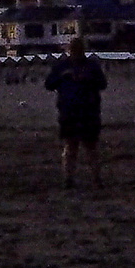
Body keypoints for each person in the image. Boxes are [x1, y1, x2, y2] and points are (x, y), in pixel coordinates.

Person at [44, 37, 107, 189]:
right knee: (73, 146)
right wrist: (63, 76)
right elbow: (49, 84)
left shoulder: (91, 66)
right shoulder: (62, 67)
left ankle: (94, 179)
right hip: (71, 111)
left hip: (86, 111)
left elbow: (102, 84)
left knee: (87, 147)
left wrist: (87, 79)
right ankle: (70, 179)